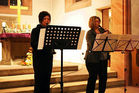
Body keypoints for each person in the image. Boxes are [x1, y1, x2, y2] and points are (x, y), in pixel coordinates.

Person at [84, 16, 110, 93]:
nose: (97, 23)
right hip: (92, 59)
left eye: (98, 21)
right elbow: (92, 45)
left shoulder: (102, 30)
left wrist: (108, 33)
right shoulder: (90, 32)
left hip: (103, 59)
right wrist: (102, 36)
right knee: (92, 78)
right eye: (95, 21)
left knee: (103, 78)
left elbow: (111, 40)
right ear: (91, 22)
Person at [31, 11, 55, 93]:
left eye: (48, 19)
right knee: (39, 80)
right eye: (44, 19)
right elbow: (33, 44)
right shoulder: (35, 30)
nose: (47, 21)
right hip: (39, 59)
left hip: (48, 58)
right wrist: (42, 42)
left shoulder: (50, 30)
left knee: (47, 79)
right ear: (41, 19)